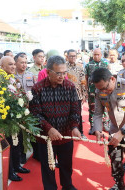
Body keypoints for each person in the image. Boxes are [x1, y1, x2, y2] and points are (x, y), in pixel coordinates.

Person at [29, 55, 81, 190]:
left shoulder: (70, 87)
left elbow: (75, 110)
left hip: (65, 136)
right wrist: (49, 129)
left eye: (64, 73)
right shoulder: (37, 88)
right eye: (58, 73)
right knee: (48, 167)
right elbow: (35, 114)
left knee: (66, 165)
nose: (62, 76)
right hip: (45, 139)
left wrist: (74, 127)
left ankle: (67, 186)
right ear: (48, 72)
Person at [92, 67, 125, 190]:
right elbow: (98, 113)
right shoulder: (99, 91)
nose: (104, 91)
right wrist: (97, 130)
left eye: (105, 88)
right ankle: (119, 184)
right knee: (115, 161)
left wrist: (123, 132)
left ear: (112, 79)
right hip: (114, 130)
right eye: (100, 89)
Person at [0, 56, 31, 181]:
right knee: (10, 146)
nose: (13, 66)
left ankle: (17, 166)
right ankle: (10, 171)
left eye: (14, 64)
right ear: (2, 67)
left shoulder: (13, 78)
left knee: (17, 144)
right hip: (6, 121)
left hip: (17, 118)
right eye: (10, 64)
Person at [14, 52, 37, 163]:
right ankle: (22, 154)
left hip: (30, 107)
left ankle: (36, 153)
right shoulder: (12, 76)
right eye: (21, 62)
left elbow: (35, 91)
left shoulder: (30, 75)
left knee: (32, 130)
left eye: (25, 62)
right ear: (16, 63)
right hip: (18, 109)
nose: (24, 65)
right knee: (21, 133)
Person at [85, 48, 109, 134]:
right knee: (92, 109)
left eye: (98, 54)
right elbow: (86, 78)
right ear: (92, 55)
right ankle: (93, 127)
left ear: (101, 55)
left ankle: (105, 124)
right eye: (95, 54)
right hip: (92, 90)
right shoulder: (88, 65)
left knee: (106, 108)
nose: (96, 56)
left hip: (104, 91)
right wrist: (86, 91)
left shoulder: (106, 64)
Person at [66, 49, 88, 138]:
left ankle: (80, 132)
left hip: (78, 95)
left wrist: (84, 95)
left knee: (78, 115)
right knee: (66, 114)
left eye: (74, 56)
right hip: (66, 95)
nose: (73, 58)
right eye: (71, 56)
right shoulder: (63, 67)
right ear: (67, 57)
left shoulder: (79, 67)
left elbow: (83, 81)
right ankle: (68, 133)